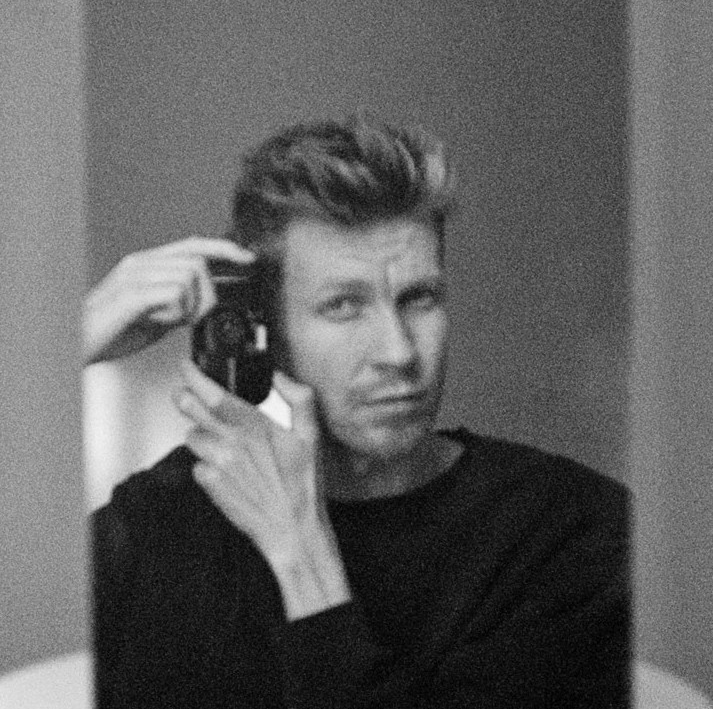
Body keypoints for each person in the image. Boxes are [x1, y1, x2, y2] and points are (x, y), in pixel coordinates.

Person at [88, 115, 631, 708]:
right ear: (268, 331)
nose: (399, 353)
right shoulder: (156, 526)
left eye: (419, 298)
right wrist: (67, 343)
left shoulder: (571, 534)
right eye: (343, 306)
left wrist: (302, 557)